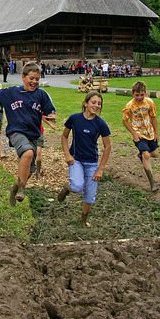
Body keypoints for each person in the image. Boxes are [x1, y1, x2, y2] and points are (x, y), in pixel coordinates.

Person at [0, 62, 56, 206]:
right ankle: (22, 188)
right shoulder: (11, 92)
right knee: (27, 153)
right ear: (23, 77)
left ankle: (15, 188)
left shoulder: (41, 94)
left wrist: (51, 116)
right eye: (31, 78)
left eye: (37, 79)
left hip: (34, 134)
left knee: (28, 171)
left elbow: (50, 111)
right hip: (16, 132)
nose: (34, 82)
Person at [57, 91, 111, 228]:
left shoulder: (101, 124)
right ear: (85, 103)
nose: (96, 105)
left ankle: (83, 220)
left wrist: (100, 169)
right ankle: (67, 188)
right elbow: (64, 137)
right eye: (93, 102)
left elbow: (108, 147)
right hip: (76, 160)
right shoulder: (74, 119)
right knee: (77, 186)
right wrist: (67, 155)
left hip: (92, 163)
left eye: (99, 103)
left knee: (90, 196)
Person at [122, 81, 160, 192]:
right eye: (137, 95)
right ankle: (153, 183)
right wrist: (134, 133)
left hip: (150, 133)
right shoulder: (130, 106)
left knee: (155, 154)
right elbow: (124, 121)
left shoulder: (150, 103)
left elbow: (153, 118)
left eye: (142, 95)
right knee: (147, 155)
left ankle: (141, 156)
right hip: (138, 134)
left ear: (145, 93)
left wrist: (156, 133)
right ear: (133, 93)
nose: (139, 97)